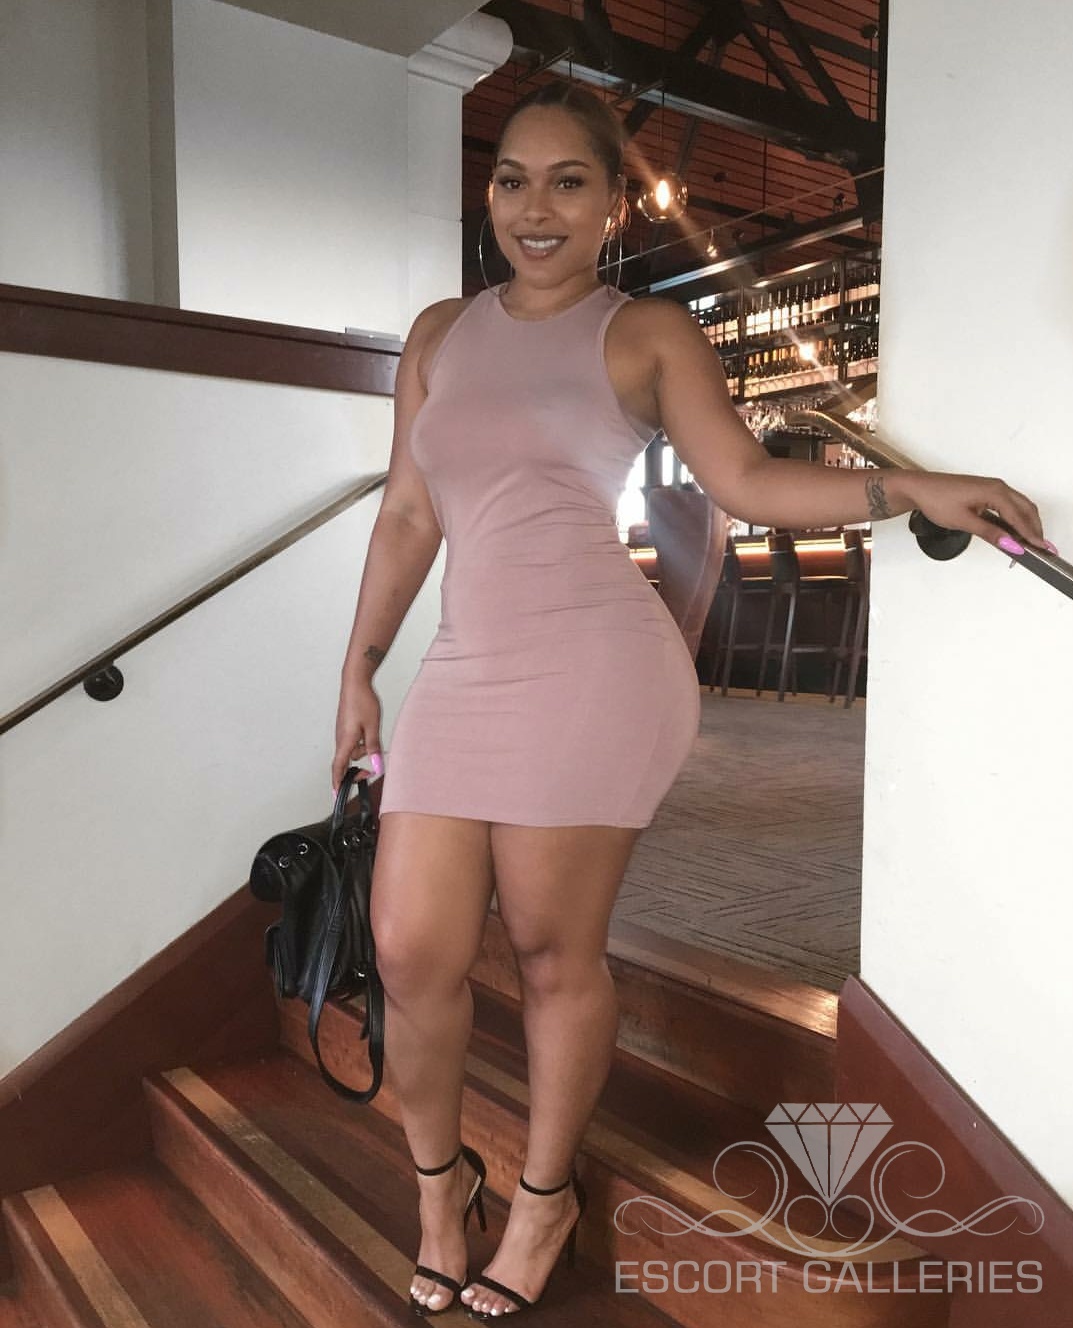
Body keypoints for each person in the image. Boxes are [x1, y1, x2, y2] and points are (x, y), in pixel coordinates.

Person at [331, 81, 1052, 1321]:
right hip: (459, 666)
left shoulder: (647, 332)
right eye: (511, 179)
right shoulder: (438, 335)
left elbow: (745, 480)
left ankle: (543, 1197)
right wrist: (357, 666)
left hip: (591, 672)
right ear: (489, 193)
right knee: (408, 946)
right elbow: (407, 512)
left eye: (568, 182)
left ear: (614, 204)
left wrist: (908, 489)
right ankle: (440, 1189)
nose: (535, 207)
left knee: (551, 948)